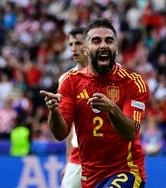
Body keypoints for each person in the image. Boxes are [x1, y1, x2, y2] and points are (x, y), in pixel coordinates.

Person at [40, 18, 150, 188]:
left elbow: (130, 133)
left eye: (109, 40)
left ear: (116, 48)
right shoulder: (70, 82)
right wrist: (54, 112)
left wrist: (112, 109)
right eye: (96, 41)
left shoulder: (133, 82)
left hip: (126, 170)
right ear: (86, 49)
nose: (103, 45)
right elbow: (60, 134)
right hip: (90, 175)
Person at [59, 27, 88, 188]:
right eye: (71, 44)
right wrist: (68, 160)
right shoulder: (66, 79)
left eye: (78, 43)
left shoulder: (108, 75)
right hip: (78, 154)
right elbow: (68, 126)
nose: (73, 48)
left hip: (104, 153)